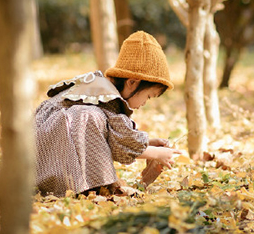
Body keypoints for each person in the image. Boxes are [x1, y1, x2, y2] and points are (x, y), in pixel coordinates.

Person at [34, 31, 181, 197]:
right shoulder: (108, 98)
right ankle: (77, 186)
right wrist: (157, 153)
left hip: (42, 150)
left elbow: (117, 138)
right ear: (132, 82)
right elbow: (122, 143)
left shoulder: (102, 91)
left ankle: (90, 186)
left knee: (91, 116)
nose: (145, 103)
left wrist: (148, 142)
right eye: (148, 96)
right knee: (89, 116)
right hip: (48, 157)